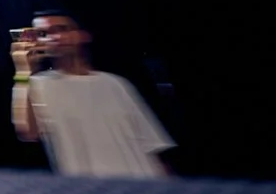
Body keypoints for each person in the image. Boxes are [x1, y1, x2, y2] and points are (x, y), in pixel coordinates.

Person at [11, 9, 174, 177]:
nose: (55, 37)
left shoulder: (116, 83)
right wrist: (23, 72)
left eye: (62, 29)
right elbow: (28, 133)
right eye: (43, 34)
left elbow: (152, 145)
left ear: (83, 35)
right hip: (92, 189)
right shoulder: (37, 85)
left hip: (144, 182)